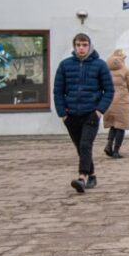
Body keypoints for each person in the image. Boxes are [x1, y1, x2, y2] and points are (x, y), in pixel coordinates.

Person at [53, 32, 114, 194]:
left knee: (85, 144)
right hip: (71, 114)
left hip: (91, 113)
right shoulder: (65, 65)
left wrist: (99, 110)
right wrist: (62, 113)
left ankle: (82, 178)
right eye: (78, 45)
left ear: (90, 46)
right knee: (80, 147)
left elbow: (109, 90)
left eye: (84, 45)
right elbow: (58, 91)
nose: (81, 48)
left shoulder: (100, 65)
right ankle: (92, 175)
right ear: (74, 46)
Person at [103, 48, 129, 159]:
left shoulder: (106, 70)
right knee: (121, 127)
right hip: (122, 101)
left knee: (113, 125)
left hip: (108, 101)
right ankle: (116, 151)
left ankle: (108, 145)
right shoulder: (126, 71)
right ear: (122, 58)